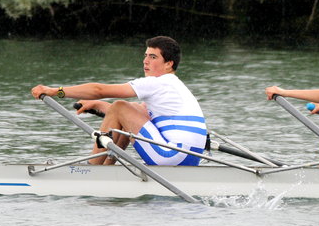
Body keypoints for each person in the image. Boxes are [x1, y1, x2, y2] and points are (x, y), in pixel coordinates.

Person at [30, 36, 207, 166]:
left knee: (121, 106)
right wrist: (100, 106)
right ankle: (107, 169)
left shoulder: (156, 83)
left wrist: (55, 91)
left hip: (171, 155)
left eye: (153, 57)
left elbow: (99, 90)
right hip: (189, 158)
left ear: (169, 64)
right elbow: (137, 116)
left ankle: (93, 168)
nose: (145, 61)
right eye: (145, 55)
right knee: (125, 108)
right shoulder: (175, 86)